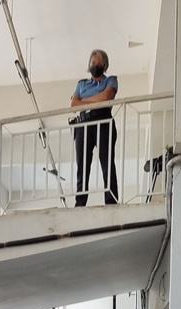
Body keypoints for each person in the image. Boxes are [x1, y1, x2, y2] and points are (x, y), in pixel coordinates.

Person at [71, 48, 119, 207]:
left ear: (104, 65)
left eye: (98, 63)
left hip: (103, 120)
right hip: (83, 123)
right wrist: (95, 99)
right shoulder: (81, 84)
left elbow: (106, 97)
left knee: (107, 161)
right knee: (82, 165)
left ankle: (111, 200)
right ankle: (80, 203)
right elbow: (74, 105)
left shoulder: (111, 80)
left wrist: (84, 101)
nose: (95, 65)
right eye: (93, 62)